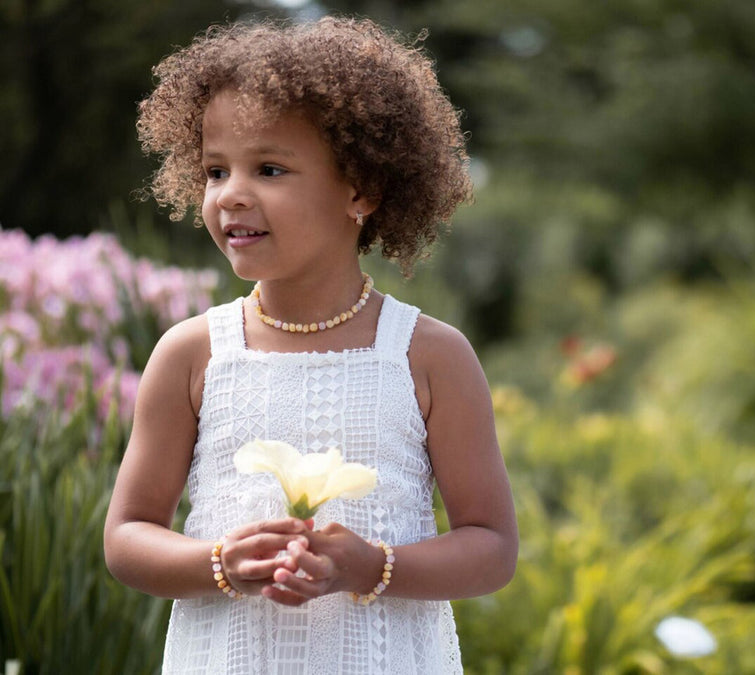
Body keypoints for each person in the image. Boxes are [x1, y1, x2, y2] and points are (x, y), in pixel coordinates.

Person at [103, 16, 518, 675]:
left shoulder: (428, 356)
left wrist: (375, 565)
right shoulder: (192, 354)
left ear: (362, 189)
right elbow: (127, 538)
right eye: (215, 170)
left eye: (269, 168)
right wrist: (219, 562)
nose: (231, 194)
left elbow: (492, 547)